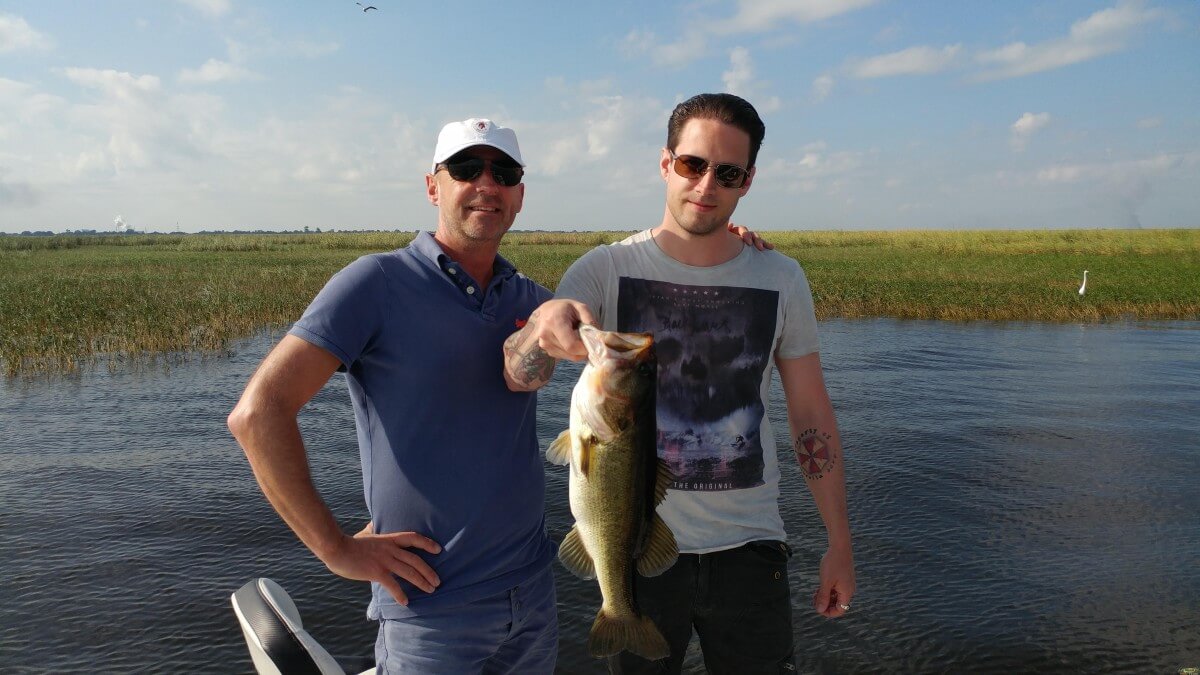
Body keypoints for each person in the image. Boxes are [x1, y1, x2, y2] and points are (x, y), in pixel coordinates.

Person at [228, 116, 771, 673]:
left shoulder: (532, 299)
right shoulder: (375, 284)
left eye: (504, 172)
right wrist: (335, 548)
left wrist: (729, 245)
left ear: (519, 197)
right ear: (433, 185)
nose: (486, 184)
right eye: (466, 168)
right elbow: (258, 414)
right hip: (430, 610)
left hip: (533, 596)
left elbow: (635, 334)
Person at [503, 93, 856, 674]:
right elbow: (522, 375)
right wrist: (542, 328)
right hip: (637, 552)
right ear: (666, 163)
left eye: (728, 172)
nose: (706, 184)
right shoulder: (603, 269)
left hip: (752, 549)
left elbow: (811, 414)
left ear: (748, 182)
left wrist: (839, 542)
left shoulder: (781, 277)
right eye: (693, 164)